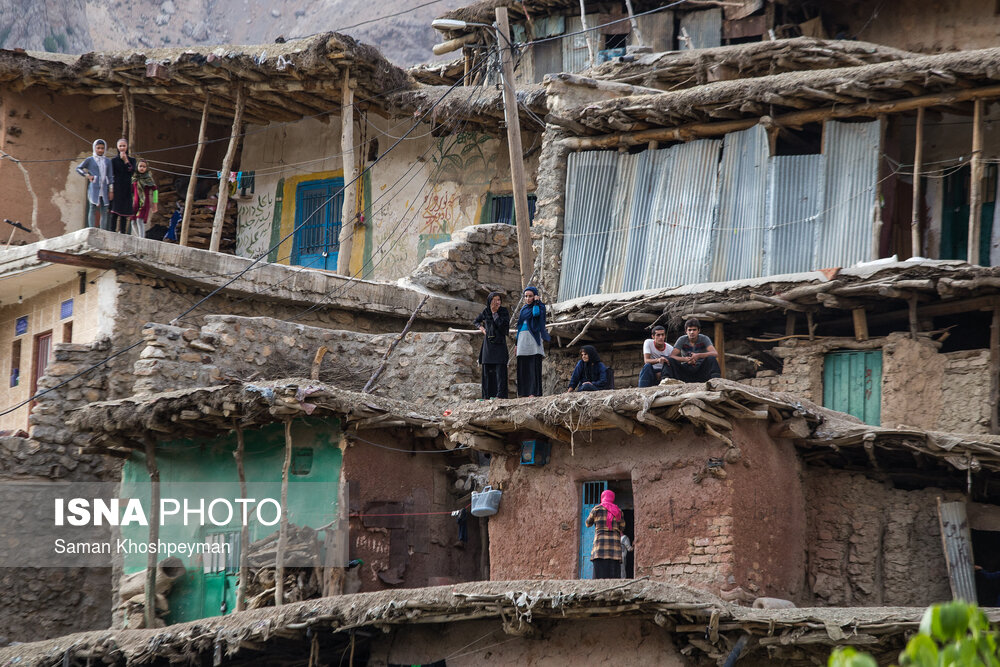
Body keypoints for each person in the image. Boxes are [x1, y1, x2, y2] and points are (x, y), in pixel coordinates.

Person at [473, 291, 510, 399]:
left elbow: (504, 328)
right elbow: (476, 321)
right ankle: (486, 396)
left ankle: (500, 395)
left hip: (499, 344)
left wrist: (495, 314)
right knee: (486, 371)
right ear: (490, 301)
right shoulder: (486, 311)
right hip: (488, 345)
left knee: (500, 370)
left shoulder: (503, 311)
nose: (497, 302)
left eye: (498, 300)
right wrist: (481, 328)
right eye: (494, 300)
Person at [515, 286, 549, 397]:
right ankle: (524, 393)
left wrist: (536, 302)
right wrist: (516, 342)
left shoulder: (540, 306)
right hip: (522, 340)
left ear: (535, 296)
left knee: (533, 366)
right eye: (526, 296)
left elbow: (535, 314)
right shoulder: (523, 309)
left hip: (534, 339)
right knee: (523, 366)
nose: (528, 298)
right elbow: (519, 326)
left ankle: (534, 392)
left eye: (530, 296)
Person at [666, 318, 722, 383]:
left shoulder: (704, 338)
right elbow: (672, 356)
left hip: (701, 368)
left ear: (698, 330)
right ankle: (665, 380)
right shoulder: (682, 339)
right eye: (689, 330)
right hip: (686, 369)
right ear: (686, 331)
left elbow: (715, 354)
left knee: (711, 359)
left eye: (694, 330)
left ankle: (716, 381)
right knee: (668, 360)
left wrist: (698, 355)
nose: (692, 332)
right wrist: (685, 359)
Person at [585, 489, 625, 579]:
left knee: (599, 576)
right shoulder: (619, 511)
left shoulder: (596, 509)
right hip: (614, 548)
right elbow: (622, 527)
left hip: (600, 547)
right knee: (613, 577)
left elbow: (587, 523)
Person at [76, 139, 114, 230]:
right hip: (94, 188)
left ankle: (103, 230)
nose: (100, 150)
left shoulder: (108, 161)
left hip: (104, 188)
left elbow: (110, 176)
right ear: (94, 148)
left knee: (104, 210)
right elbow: (78, 168)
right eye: (98, 148)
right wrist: (87, 175)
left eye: (102, 148)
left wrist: (111, 190)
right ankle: (91, 228)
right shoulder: (90, 160)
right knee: (92, 208)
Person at [109, 138, 137, 233]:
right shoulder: (113, 161)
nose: (122, 148)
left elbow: (132, 172)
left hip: (126, 189)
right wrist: (111, 189)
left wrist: (125, 160)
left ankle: (123, 232)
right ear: (117, 147)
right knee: (114, 212)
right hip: (117, 188)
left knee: (124, 213)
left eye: (124, 146)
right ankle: (112, 231)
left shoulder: (132, 160)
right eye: (120, 146)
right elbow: (111, 175)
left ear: (127, 147)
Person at [130, 159, 158, 238]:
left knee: (139, 220)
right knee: (133, 222)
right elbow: (131, 191)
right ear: (137, 167)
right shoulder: (134, 178)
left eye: (144, 167)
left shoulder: (148, 179)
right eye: (140, 166)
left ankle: (141, 239)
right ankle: (139, 237)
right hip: (134, 203)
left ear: (147, 168)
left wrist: (155, 203)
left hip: (144, 203)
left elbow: (155, 190)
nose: (142, 168)